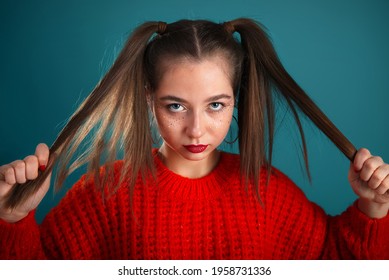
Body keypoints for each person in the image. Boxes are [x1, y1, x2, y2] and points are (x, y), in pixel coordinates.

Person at [0, 18, 388, 260]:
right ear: (148, 99)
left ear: (236, 98)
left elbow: (335, 262)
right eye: (175, 106)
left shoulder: (265, 191)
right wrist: (11, 220)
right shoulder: (104, 193)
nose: (197, 129)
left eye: (216, 105)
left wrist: (373, 210)